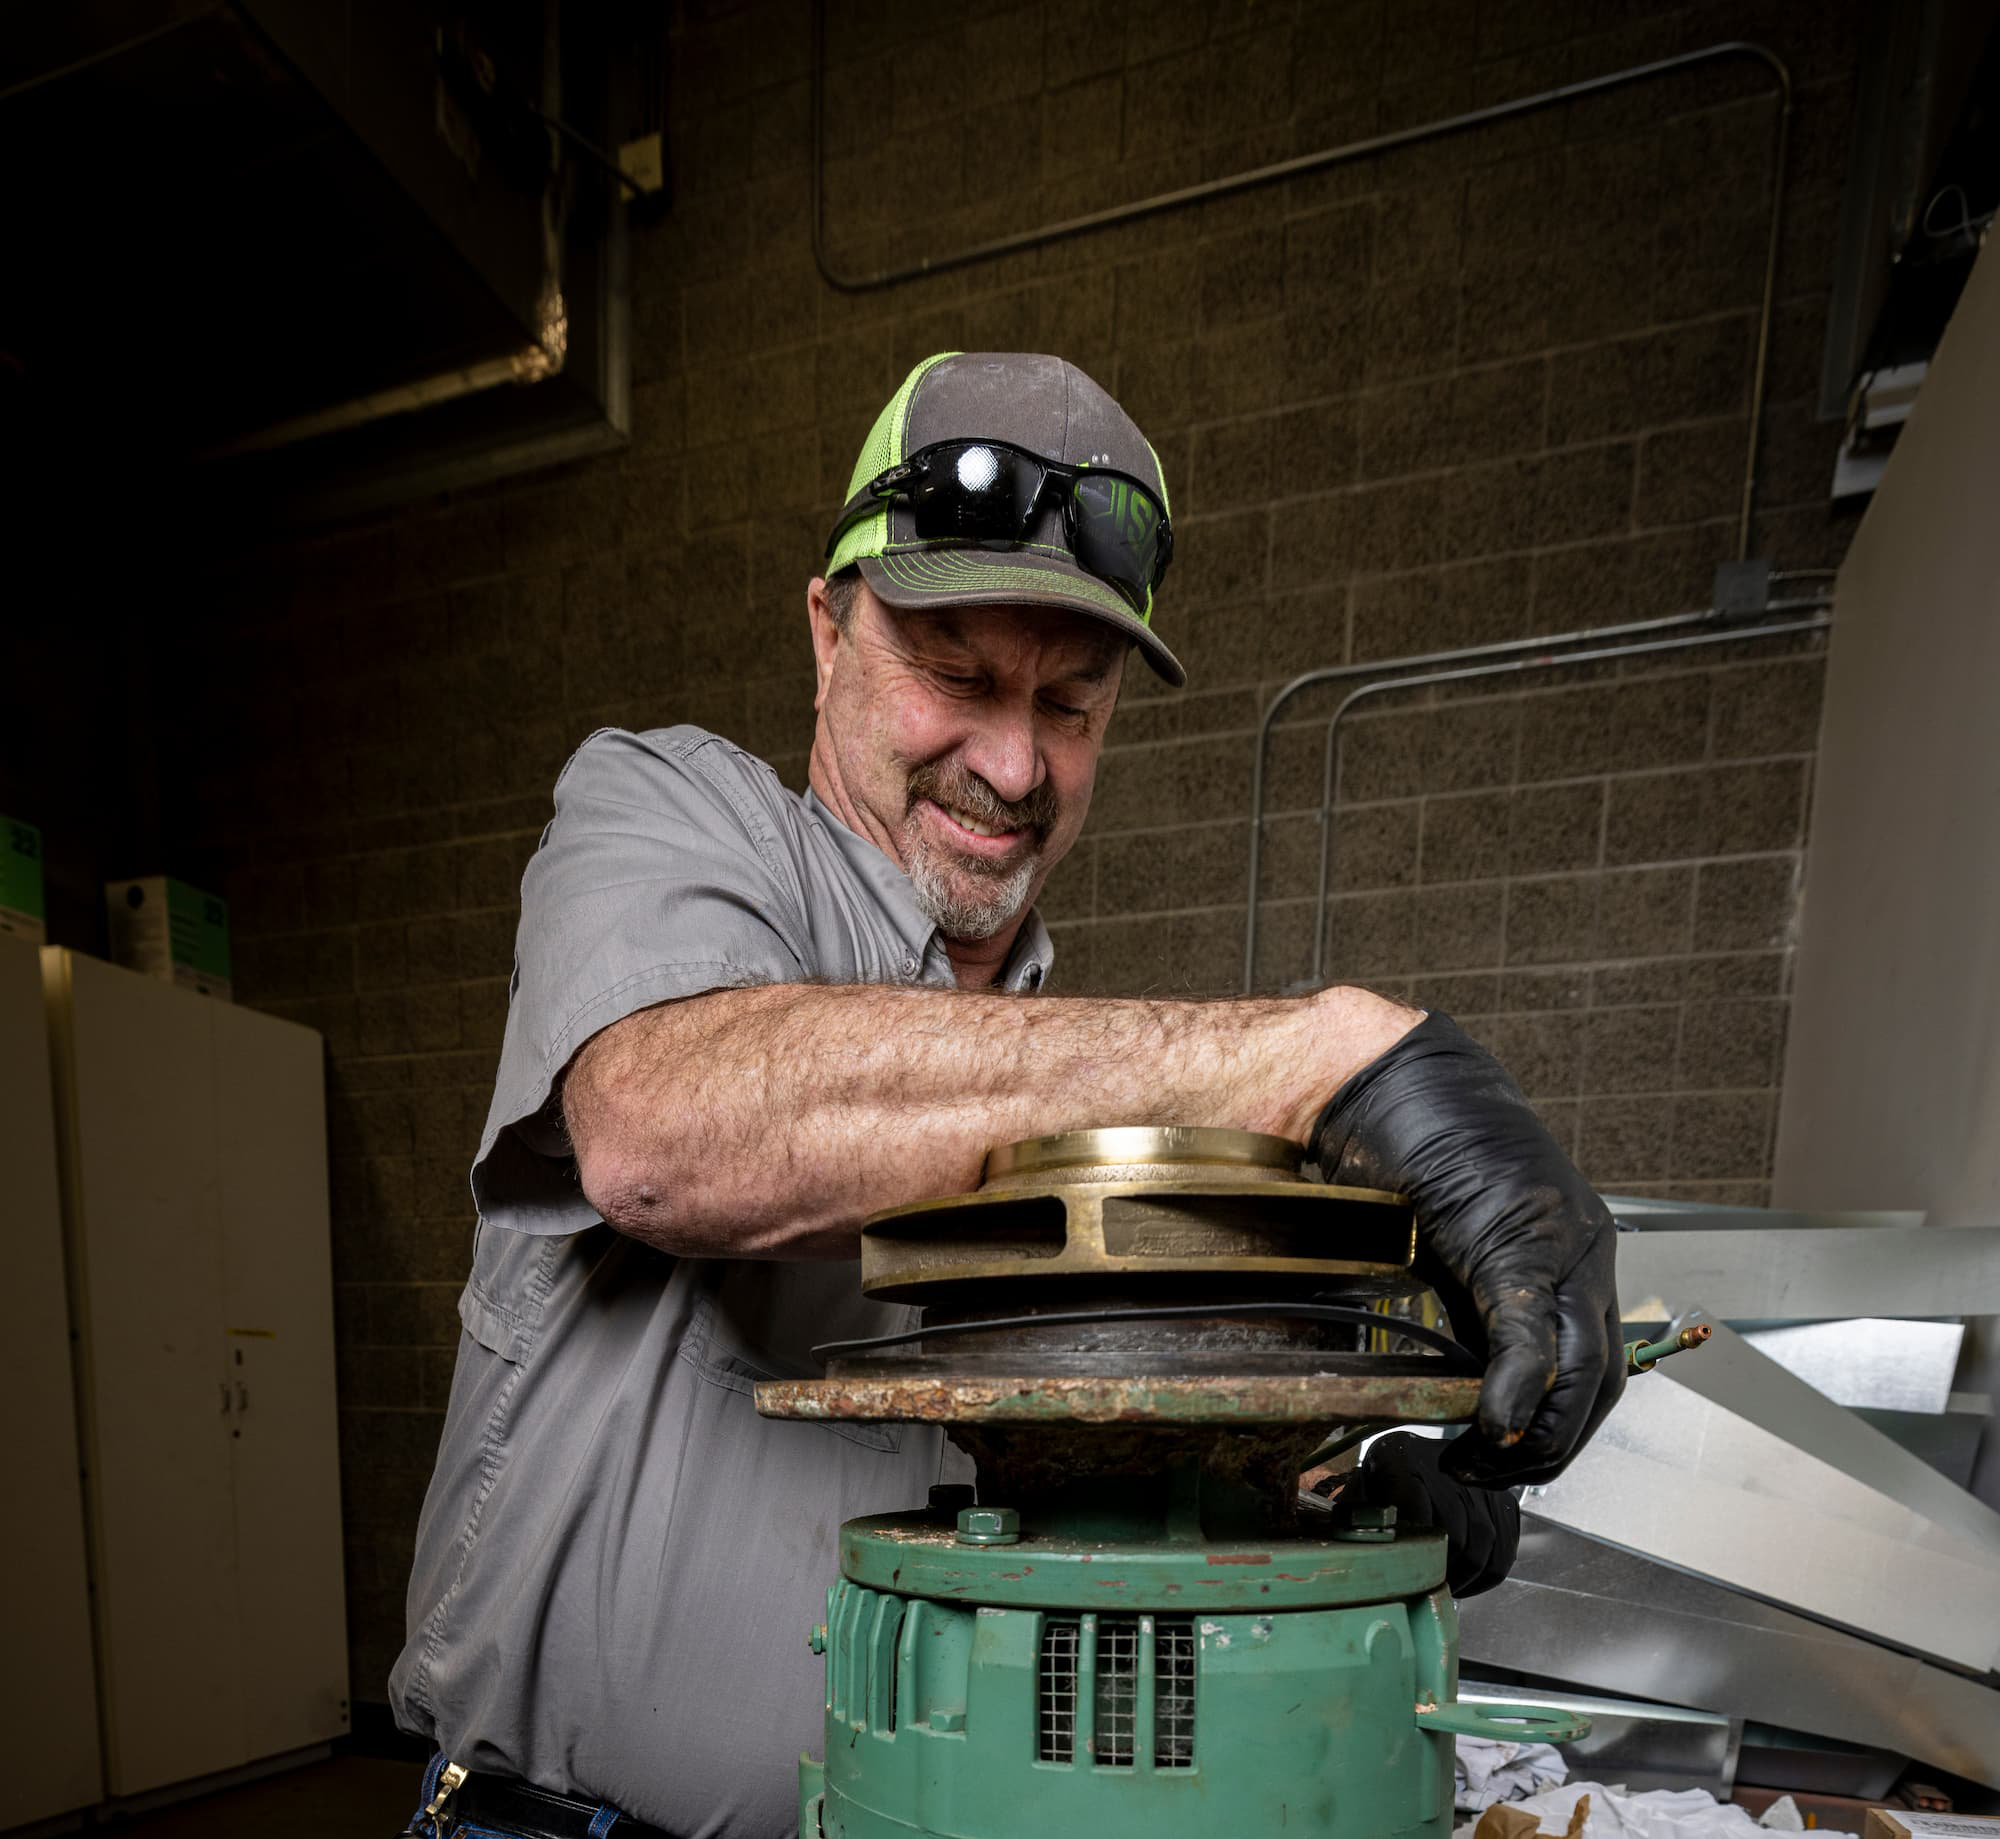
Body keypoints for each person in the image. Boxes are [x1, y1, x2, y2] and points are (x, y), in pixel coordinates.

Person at [390, 352, 1622, 1839]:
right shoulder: (670, 820)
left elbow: (1056, 1517)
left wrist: (1325, 1509)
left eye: (1072, 704)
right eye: (957, 674)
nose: (1012, 759)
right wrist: (1313, 1051)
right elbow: (663, 1133)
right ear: (827, 631)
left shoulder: (1074, 1073)